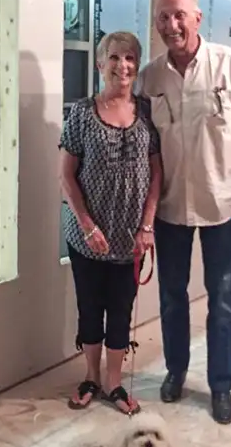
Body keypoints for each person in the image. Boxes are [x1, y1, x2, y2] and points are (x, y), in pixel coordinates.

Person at [138, 0, 231, 424]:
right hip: (170, 206)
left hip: (222, 203)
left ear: (197, 18)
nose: (171, 26)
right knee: (173, 297)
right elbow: (139, 144)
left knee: (223, 298)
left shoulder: (230, 65)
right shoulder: (149, 78)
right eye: (162, 18)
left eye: (179, 16)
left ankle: (221, 386)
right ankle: (176, 371)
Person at [59, 30, 162, 415]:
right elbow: (66, 176)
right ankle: (90, 376)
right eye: (115, 58)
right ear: (100, 64)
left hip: (130, 239)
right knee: (90, 308)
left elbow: (156, 174)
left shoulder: (147, 112)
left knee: (121, 310)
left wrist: (147, 225)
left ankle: (114, 384)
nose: (123, 66)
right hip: (88, 238)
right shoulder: (82, 114)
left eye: (131, 58)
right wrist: (87, 225)